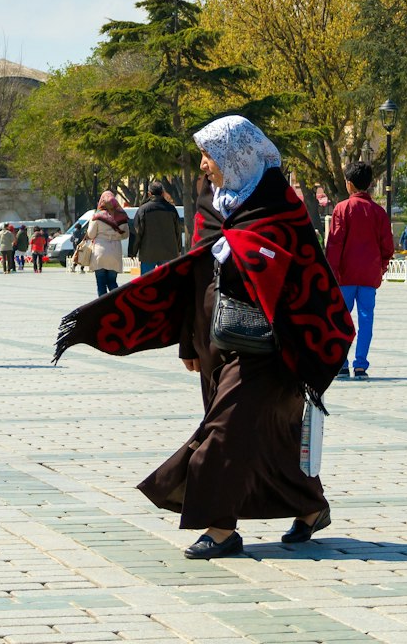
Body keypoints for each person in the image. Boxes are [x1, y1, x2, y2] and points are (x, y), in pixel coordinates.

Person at [56, 116, 353, 560]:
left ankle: (220, 527)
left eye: (210, 155)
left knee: (226, 430)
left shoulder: (280, 204)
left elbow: (306, 274)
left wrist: (249, 252)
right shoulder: (210, 203)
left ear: (238, 157)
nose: (204, 165)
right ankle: (309, 505)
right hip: (213, 335)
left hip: (270, 341)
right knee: (264, 429)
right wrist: (188, 343)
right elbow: (194, 271)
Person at [325, 160, 393, 379]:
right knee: (366, 320)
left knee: (340, 320)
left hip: (344, 276)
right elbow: (387, 246)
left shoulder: (342, 209)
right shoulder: (378, 212)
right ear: (369, 184)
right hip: (368, 276)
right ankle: (361, 364)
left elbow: (335, 244)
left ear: (349, 184)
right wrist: (380, 268)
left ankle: (342, 362)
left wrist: (331, 273)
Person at [131, 181, 185, 276]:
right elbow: (178, 231)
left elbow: (137, 232)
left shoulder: (143, 210)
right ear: (163, 193)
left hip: (148, 253)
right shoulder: (171, 209)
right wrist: (178, 249)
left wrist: (133, 251)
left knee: (146, 283)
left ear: (149, 194)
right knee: (167, 283)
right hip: (169, 252)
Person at [85, 194, 128, 296]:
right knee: (112, 281)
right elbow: (126, 235)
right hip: (115, 251)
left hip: (100, 251)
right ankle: (116, 302)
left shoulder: (97, 216)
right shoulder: (122, 216)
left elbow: (91, 234)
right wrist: (115, 236)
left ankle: (103, 307)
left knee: (101, 283)